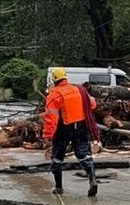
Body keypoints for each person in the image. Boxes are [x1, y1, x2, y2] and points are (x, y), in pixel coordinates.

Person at [42, 67, 101, 196]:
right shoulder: (79, 90)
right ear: (65, 77)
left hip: (63, 128)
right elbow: (92, 104)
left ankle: (58, 187)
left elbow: (51, 118)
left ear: (54, 80)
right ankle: (93, 180)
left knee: (57, 158)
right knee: (84, 154)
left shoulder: (54, 95)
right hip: (81, 126)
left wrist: (47, 136)